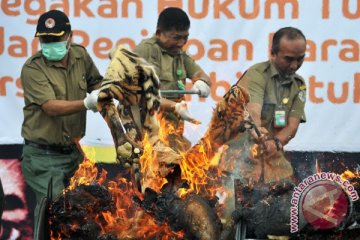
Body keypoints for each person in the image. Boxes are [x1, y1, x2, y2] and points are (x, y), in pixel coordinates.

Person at [20, 9, 102, 234]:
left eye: (56, 39)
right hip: (42, 158)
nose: (50, 44)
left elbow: (97, 83)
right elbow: (50, 107)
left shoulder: (80, 55)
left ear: (70, 36)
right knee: (55, 213)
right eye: (45, 40)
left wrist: (105, 96)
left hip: (73, 153)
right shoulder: (33, 67)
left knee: (85, 212)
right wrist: (86, 103)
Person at [134, 7, 212, 152]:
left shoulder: (179, 54)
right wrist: (174, 107)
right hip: (146, 134)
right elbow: (140, 96)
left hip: (173, 133)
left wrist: (201, 82)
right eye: (176, 37)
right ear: (159, 33)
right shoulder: (144, 52)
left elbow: (202, 76)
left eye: (185, 37)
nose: (182, 42)